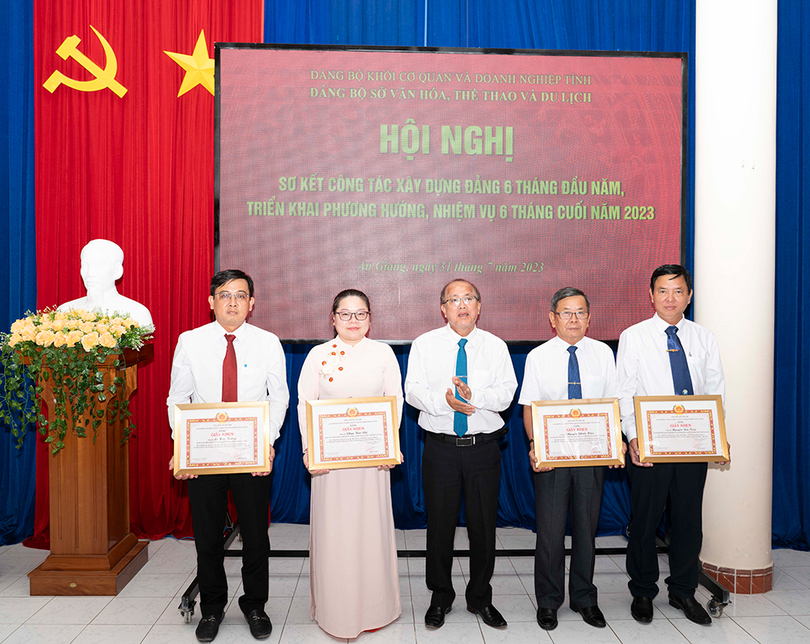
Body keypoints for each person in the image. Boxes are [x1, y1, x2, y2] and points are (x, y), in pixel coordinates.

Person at [167, 269, 288, 642]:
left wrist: (266, 442)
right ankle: (212, 607)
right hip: (204, 455)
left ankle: (255, 605)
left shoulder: (267, 342)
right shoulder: (190, 341)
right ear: (211, 302)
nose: (232, 302)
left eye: (240, 295)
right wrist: (182, 447)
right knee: (207, 537)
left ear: (252, 303)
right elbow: (178, 398)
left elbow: (278, 397)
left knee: (255, 536)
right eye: (224, 295)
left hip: (251, 454)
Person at [617, 264, 726, 626]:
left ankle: (683, 590)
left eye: (678, 291)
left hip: (693, 446)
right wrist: (632, 436)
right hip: (649, 447)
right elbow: (625, 391)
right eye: (663, 291)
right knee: (645, 522)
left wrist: (717, 433)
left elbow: (715, 390)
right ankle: (643, 591)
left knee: (687, 522)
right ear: (651, 295)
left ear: (689, 296)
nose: (670, 298)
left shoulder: (704, 338)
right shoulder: (634, 336)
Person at [405, 279, 517, 629]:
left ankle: (480, 597)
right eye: (454, 300)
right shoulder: (425, 344)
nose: (462, 305)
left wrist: (474, 398)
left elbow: (507, 393)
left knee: (483, 528)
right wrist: (446, 403)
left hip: (483, 449)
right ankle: (440, 597)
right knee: (440, 527)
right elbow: (412, 391)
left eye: (469, 298)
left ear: (479, 306)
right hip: (441, 449)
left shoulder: (495, 346)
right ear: (443, 309)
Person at [297, 289, 403, 637]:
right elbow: (305, 404)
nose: (353, 321)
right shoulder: (318, 355)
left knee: (371, 533)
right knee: (335, 535)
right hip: (330, 464)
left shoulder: (383, 353)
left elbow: (395, 401)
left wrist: (389, 446)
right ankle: (335, 612)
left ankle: (376, 609)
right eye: (345, 314)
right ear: (333, 318)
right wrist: (309, 451)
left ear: (370, 318)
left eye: (360, 314)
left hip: (372, 462)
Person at [519, 287, 622, 631]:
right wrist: (535, 445)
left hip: (592, 456)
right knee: (550, 533)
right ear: (553, 318)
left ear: (589, 318)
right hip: (553, 458)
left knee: (586, 530)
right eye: (566, 312)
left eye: (580, 312)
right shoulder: (538, 357)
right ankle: (549, 601)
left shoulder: (603, 353)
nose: (573, 319)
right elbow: (530, 407)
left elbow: (613, 403)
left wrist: (616, 444)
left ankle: (584, 598)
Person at [58, 238, 153, 327]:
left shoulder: (137, 313)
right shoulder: (65, 311)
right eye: (85, 266)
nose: (89, 273)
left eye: (98, 265)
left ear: (117, 271)